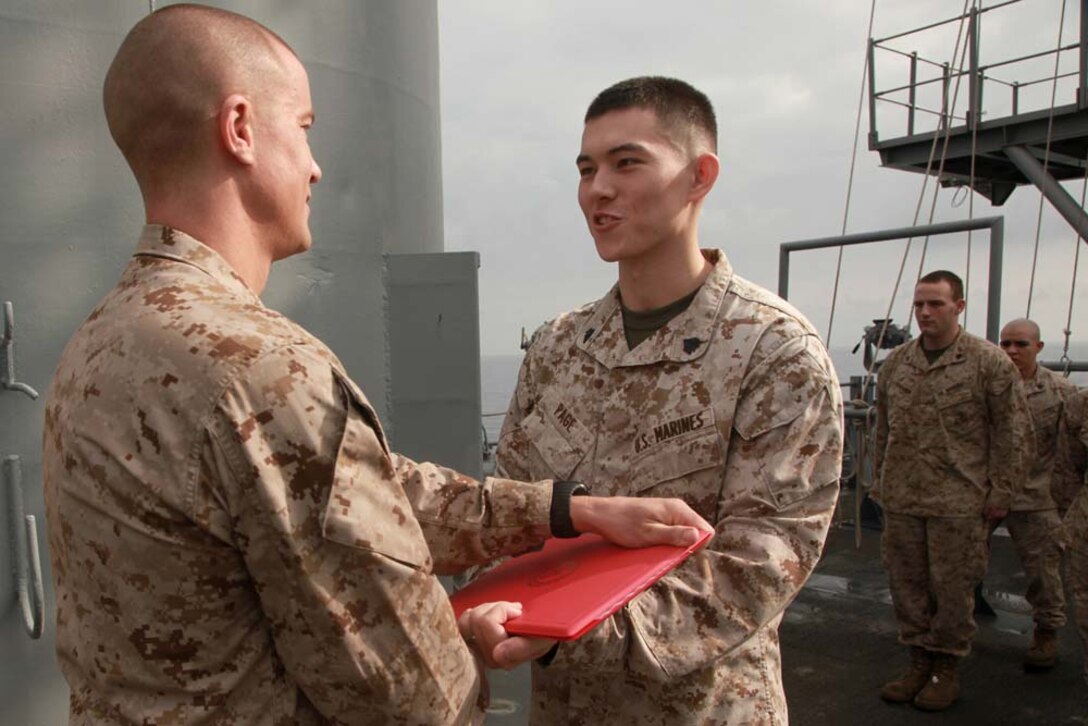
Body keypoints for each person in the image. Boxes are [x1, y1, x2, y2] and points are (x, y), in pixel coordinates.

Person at [40, 8, 712, 724]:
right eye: (301, 128)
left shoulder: (96, 344)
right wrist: (465, 652)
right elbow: (408, 695)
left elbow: (357, 497)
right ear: (239, 130)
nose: (315, 165)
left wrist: (560, 511)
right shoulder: (263, 370)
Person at [493, 76, 844, 725]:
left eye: (627, 163)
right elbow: (515, 503)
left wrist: (579, 630)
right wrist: (503, 604)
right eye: (586, 168)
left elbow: (763, 559)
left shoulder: (773, 351)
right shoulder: (557, 346)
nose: (598, 190)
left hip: (702, 710)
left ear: (698, 177)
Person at [874, 270, 1031, 711]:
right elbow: (884, 429)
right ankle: (918, 660)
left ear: (959, 306)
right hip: (903, 498)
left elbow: (1013, 433)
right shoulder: (898, 364)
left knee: (953, 590)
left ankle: (947, 667)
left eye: (936, 304)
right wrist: (880, 483)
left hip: (959, 502)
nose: (925, 312)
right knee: (907, 586)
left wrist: (1002, 493)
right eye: (920, 304)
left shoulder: (988, 362)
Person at [996, 318, 1078, 670]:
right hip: (987, 491)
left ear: (1038, 347)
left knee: (1044, 573)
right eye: (1006, 344)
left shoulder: (1061, 392)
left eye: (1021, 344)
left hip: (1037, 494)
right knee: (956, 564)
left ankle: (1047, 631)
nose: (1012, 351)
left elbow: (1074, 448)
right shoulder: (990, 386)